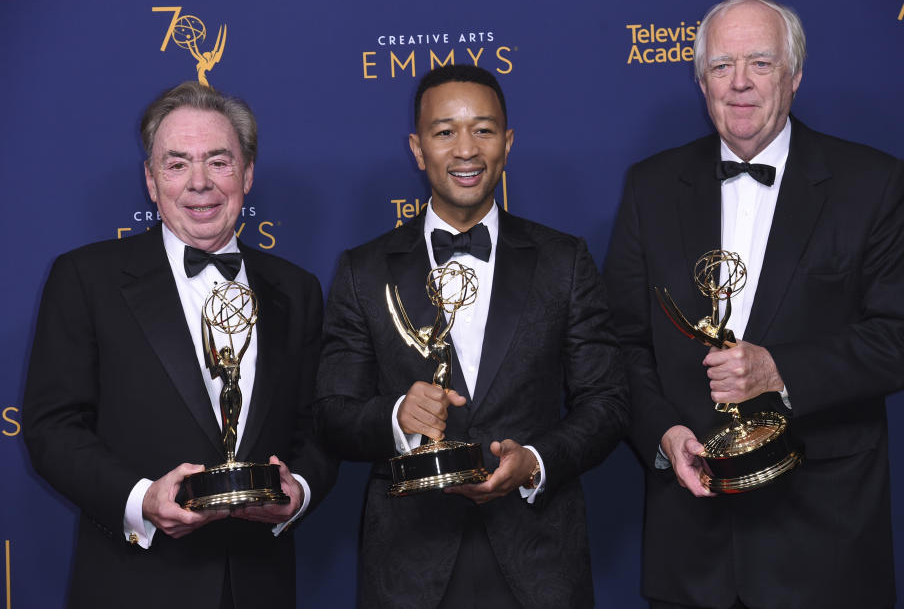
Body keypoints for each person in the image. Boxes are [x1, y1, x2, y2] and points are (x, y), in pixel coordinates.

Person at [604, 0, 904, 609]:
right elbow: (621, 343)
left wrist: (779, 370)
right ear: (700, 80)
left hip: (825, 547)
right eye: (720, 66)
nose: (738, 84)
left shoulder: (870, 183)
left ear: (795, 76)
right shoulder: (649, 187)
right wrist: (664, 433)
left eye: (760, 63)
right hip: (692, 547)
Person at [315, 64, 629, 609]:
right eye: (445, 132)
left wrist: (536, 459)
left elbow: (607, 401)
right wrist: (395, 418)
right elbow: (333, 412)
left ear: (507, 143)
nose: (466, 150)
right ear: (417, 149)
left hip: (540, 564)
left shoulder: (564, 261)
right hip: (409, 569)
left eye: (483, 130)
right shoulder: (363, 271)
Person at [22, 81, 337, 609]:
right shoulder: (85, 278)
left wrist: (298, 491)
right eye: (176, 164)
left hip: (260, 584)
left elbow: (321, 424)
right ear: (150, 180)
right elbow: (52, 428)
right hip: (134, 584)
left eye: (219, 161)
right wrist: (142, 499)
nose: (199, 184)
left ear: (248, 173)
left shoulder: (297, 289)